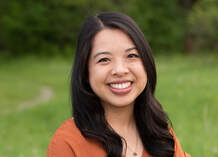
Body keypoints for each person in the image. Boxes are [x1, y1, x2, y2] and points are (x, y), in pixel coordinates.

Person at [46, 12, 190, 157]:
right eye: (104, 59)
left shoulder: (161, 135)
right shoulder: (67, 143)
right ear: (85, 71)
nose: (120, 70)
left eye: (131, 56)